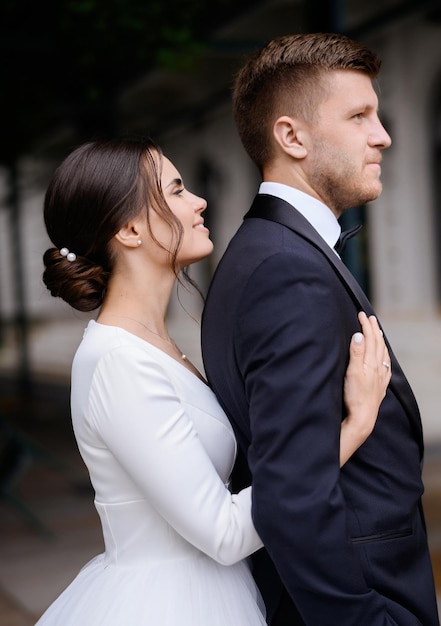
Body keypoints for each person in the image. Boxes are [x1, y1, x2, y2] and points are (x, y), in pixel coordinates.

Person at [36, 137, 390, 626]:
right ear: (132, 230)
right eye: (176, 190)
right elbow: (223, 533)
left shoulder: (152, 346)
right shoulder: (117, 363)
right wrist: (353, 426)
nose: (198, 201)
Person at [201, 32, 440, 626]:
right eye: (359, 115)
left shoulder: (279, 252)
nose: (382, 135)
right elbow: (292, 496)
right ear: (291, 136)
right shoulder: (286, 270)